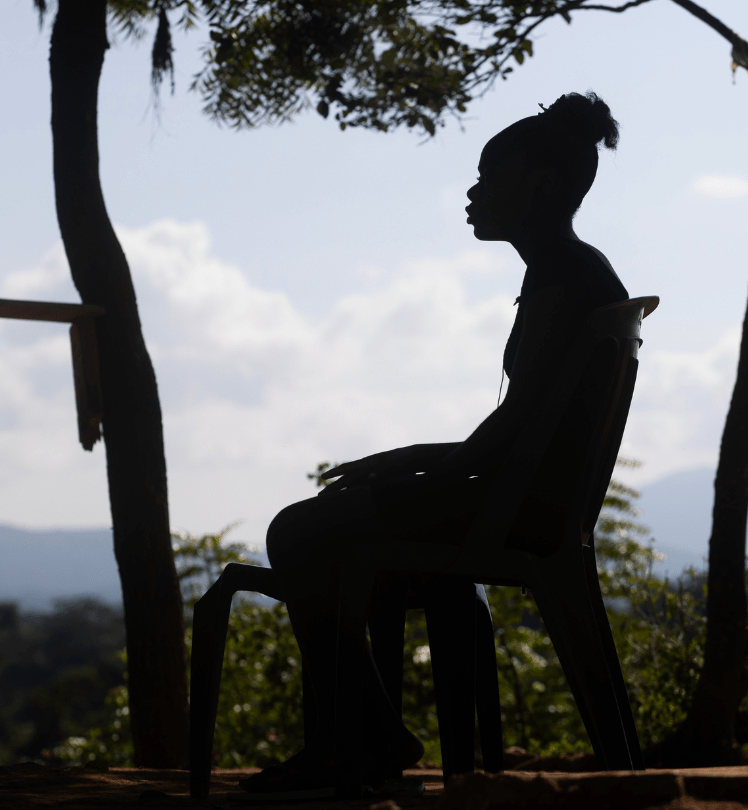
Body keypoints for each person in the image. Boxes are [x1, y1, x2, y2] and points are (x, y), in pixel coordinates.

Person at [243, 92, 629, 794]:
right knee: (330, 530)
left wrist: (423, 478)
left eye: (490, 176)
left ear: (539, 183)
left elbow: (507, 436)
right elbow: (523, 423)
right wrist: (408, 463)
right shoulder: (575, 271)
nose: (474, 193)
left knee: (296, 531)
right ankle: (362, 736)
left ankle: (357, 742)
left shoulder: (563, 276)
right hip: (530, 502)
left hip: (511, 510)